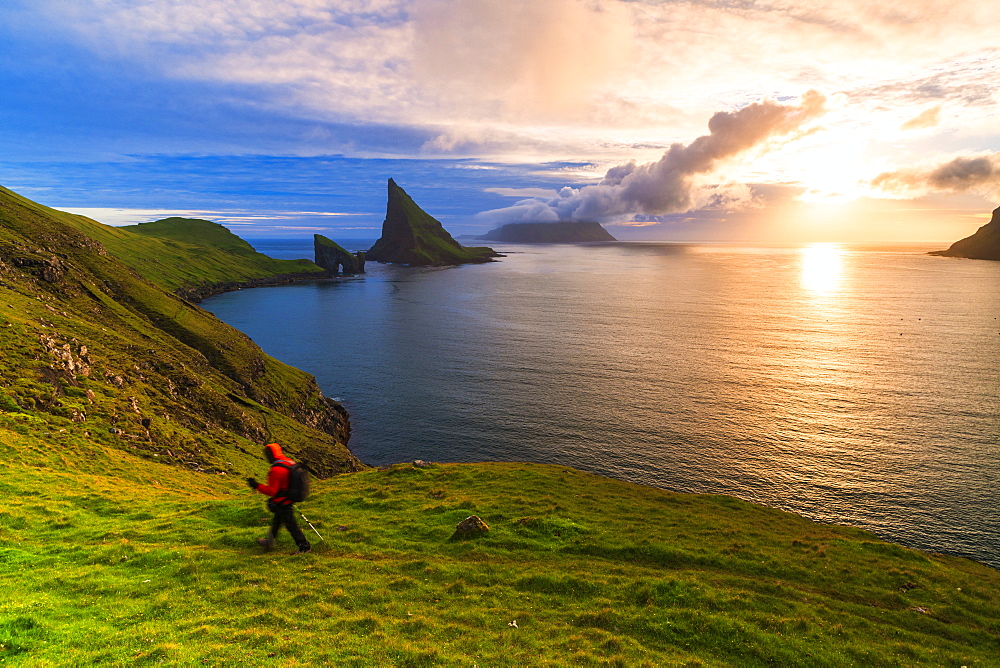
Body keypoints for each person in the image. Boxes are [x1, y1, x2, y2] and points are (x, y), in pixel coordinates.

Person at [246, 443, 311, 553]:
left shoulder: (276, 470)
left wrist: (256, 485)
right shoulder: (288, 461)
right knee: (277, 521)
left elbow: (272, 491)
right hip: (288, 498)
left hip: (283, 501)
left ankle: (304, 547)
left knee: (291, 525)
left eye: (267, 454)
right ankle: (269, 542)